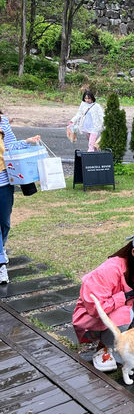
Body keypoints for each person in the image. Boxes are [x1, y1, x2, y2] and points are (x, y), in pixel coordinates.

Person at [72, 226, 134, 371]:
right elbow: (95, 308)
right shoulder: (110, 269)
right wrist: (127, 296)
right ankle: (104, 348)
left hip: (119, 315)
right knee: (125, 313)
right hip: (94, 321)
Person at [0, 110, 40, 284]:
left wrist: (27, 142)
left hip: (3, 182)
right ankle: (1, 265)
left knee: (4, 222)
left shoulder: (2, 121)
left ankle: (1, 248)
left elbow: (10, 146)